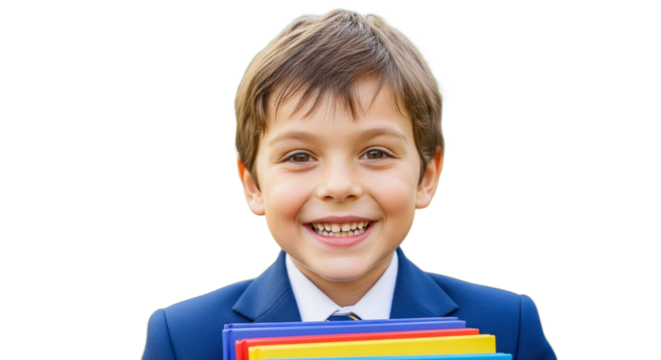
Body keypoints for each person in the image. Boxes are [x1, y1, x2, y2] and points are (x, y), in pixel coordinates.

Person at [141, 8, 557, 360]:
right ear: (252, 185)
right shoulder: (183, 340)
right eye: (299, 157)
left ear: (427, 176)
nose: (338, 187)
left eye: (375, 153)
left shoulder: (509, 326)